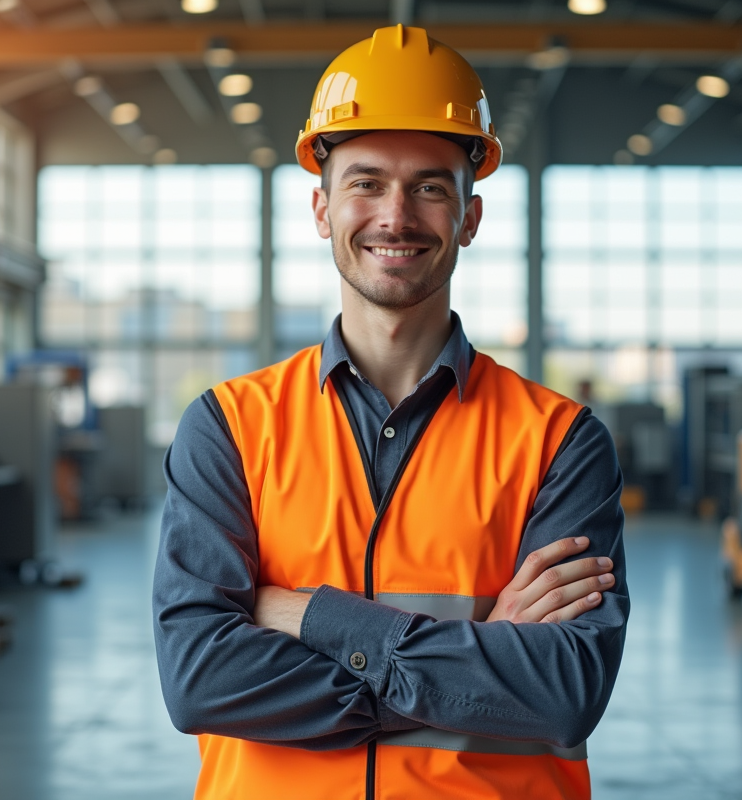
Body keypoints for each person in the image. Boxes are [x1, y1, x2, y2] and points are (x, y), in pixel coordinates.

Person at [153, 24, 628, 800]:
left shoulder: (560, 442)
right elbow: (201, 680)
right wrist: (481, 658)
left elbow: (565, 693)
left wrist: (310, 618)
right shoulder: (229, 427)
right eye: (366, 182)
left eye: (431, 186)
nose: (395, 215)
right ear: (321, 209)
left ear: (470, 217)